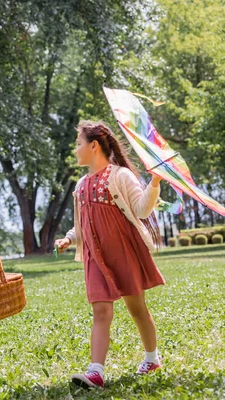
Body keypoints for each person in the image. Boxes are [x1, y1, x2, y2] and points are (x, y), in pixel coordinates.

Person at [54, 121, 165, 389]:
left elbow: (140, 209)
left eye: (78, 143)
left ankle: (152, 358)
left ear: (93, 146)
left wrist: (155, 183)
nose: (76, 149)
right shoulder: (80, 185)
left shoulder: (120, 176)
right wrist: (70, 237)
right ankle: (96, 371)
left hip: (123, 252)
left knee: (137, 309)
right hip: (96, 257)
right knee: (101, 311)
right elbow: (83, 223)